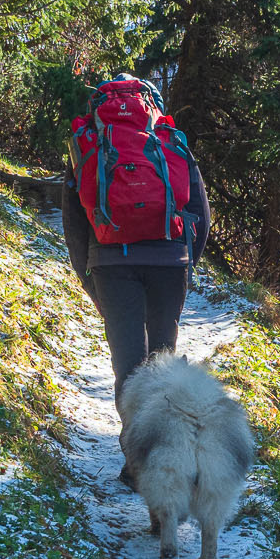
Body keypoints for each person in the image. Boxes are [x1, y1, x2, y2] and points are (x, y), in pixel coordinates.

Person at [59, 75, 212, 414]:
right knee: (162, 364)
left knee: (128, 369)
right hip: (169, 262)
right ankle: (162, 453)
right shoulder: (170, 140)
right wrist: (186, 265)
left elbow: (74, 223)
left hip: (111, 264)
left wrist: (89, 279)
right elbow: (201, 214)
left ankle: (134, 461)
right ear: (154, 105)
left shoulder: (89, 143)